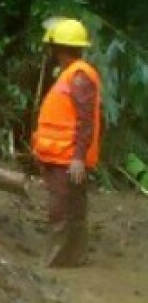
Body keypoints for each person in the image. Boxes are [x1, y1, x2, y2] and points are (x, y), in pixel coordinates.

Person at [31, 17, 101, 268]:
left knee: (61, 210)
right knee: (71, 207)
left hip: (68, 158)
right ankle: (73, 257)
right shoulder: (70, 74)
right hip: (61, 156)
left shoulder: (79, 77)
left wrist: (79, 158)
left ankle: (55, 262)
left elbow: (86, 122)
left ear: (58, 48)